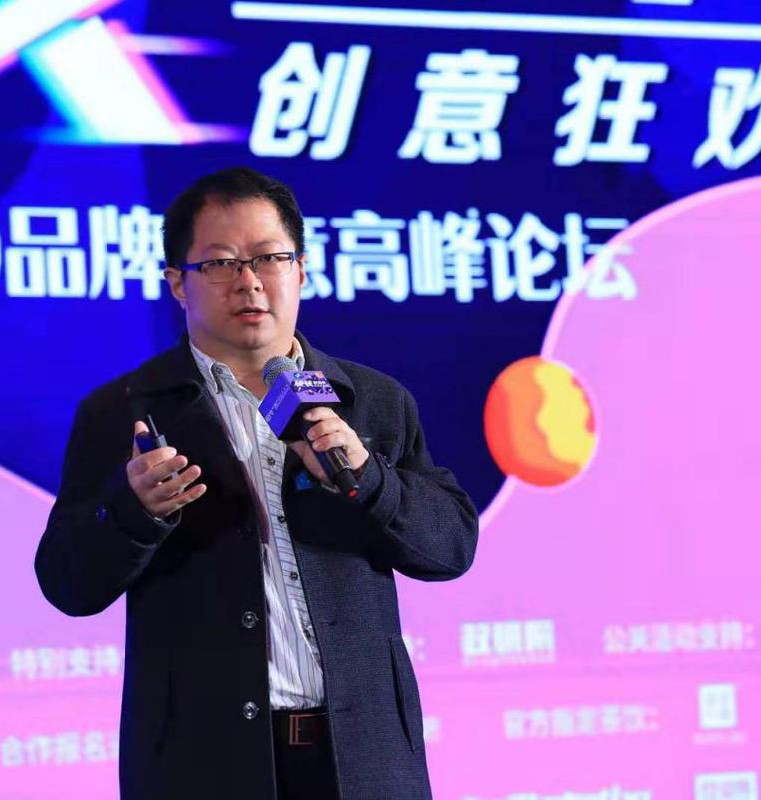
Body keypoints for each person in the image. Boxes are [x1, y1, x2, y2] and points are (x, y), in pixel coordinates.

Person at [34, 166, 478, 800]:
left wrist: (369, 479)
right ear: (177, 283)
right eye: (220, 263)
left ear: (302, 271)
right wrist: (135, 512)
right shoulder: (121, 411)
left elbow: (450, 548)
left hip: (365, 759)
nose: (249, 281)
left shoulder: (373, 401)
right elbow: (67, 583)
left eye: (270, 258)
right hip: (202, 765)